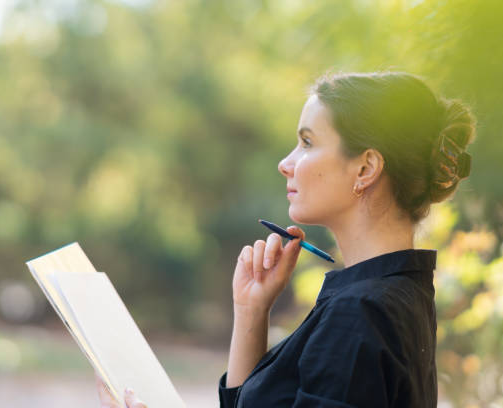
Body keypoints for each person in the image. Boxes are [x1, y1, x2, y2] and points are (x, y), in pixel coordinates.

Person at [96, 71, 476, 407]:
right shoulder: (395, 294)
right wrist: (251, 312)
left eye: (308, 143)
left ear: (365, 168)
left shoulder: (360, 312)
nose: (286, 163)